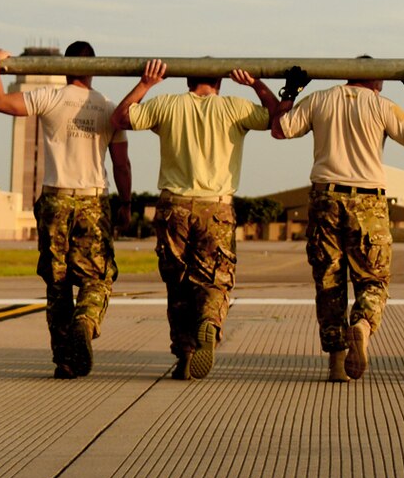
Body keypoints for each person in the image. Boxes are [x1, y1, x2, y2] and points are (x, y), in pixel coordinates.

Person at [110, 59, 278, 380]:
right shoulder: (235, 107)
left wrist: (146, 84)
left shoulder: (167, 104)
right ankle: (210, 323)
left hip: (173, 205)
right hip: (215, 205)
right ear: (220, 83)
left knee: (178, 284)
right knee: (216, 278)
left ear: (187, 80)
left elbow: (120, 117)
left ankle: (184, 353)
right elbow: (277, 118)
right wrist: (256, 84)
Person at [271, 60, 404, 383]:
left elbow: (280, 129)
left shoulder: (319, 99)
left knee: (330, 282)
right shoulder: (382, 105)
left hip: (324, 197)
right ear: (378, 82)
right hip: (367, 200)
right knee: (373, 279)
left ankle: (337, 363)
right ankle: (362, 324)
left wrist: (289, 92)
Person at [0, 43, 130, 378]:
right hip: (93, 199)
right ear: (97, 68)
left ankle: (65, 359)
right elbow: (121, 164)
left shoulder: (50, 97)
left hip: (55, 198)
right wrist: (127, 203)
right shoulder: (109, 108)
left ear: (63, 66)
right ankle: (86, 320)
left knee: (57, 282)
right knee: (98, 276)